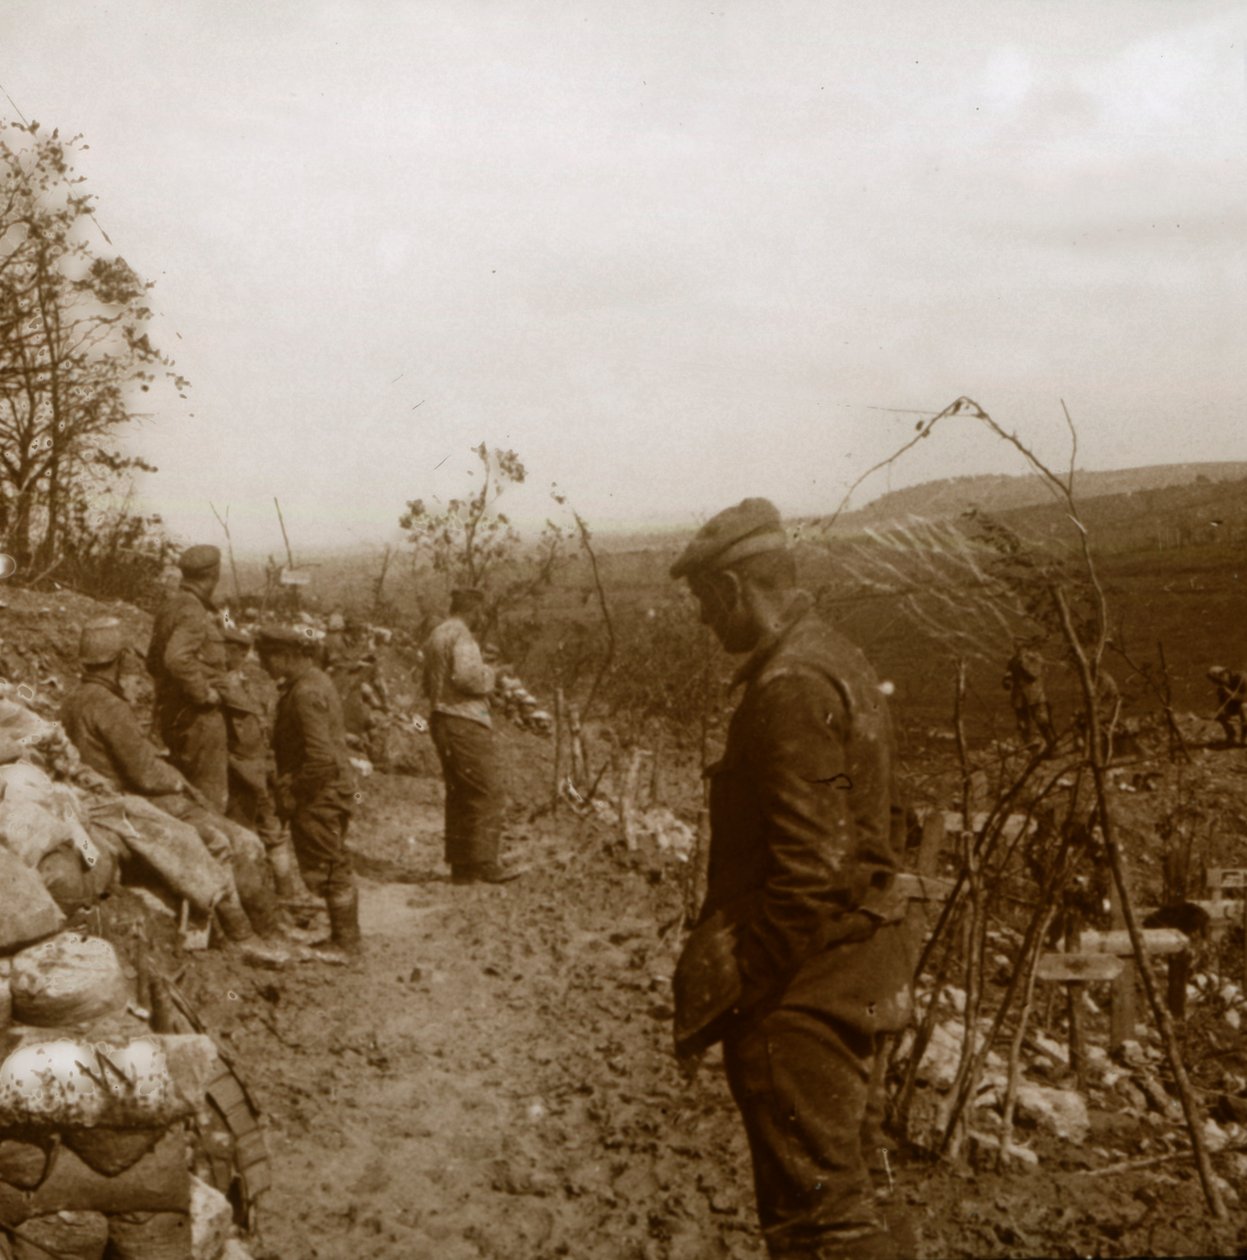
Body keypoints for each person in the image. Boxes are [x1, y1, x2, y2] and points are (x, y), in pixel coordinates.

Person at [668, 499, 914, 1259]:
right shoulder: (833, 656)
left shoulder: (788, 685)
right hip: (857, 962)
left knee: (817, 1221)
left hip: (806, 986)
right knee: (857, 1187)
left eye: (707, 604)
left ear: (735, 591)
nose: (707, 623)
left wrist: (749, 980)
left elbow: (808, 873)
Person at [62, 617, 285, 954]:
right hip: (129, 800)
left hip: (106, 797)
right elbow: (144, 775)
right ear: (120, 659)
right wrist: (180, 783)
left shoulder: (74, 699)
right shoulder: (108, 705)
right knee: (240, 842)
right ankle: (250, 934)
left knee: (226, 835)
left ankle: (255, 933)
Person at [256, 625, 362, 959]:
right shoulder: (313, 682)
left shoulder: (304, 693)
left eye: (268, 658)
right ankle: (344, 937)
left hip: (320, 794)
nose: (264, 666)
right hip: (330, 790)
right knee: (334, 863)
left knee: (330, 867)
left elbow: (320, 759)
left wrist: (292, 788)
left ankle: (345, 942)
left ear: (287, 657)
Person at [422, 588, 520, 884]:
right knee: (488, 791)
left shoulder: (436, 635)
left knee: (460, 793)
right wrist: (495, 674)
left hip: (441, 718)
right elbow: (467, 677)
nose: (481, 618)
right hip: (464, 720)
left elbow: (428, 683)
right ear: (473, 610)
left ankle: (461, 866)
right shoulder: (462, 636)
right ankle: (486, 863)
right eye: (480, 613)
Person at [146, 543, 229, 810]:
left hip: (173, 714)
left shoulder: (171, 606)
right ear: (213, 575)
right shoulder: (193, 610)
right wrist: (204, 693)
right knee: (209, 800)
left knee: (188, 797)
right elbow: (176, 658)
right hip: (197, 718)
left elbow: (152, 661)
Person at [219, 626, 300, 901]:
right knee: (258, 832)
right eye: (234, 650)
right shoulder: (234, 683)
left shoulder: (239, 684)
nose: (238, 656)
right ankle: (268, 894)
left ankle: (282, 894)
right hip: (247, 770)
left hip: (252, 770)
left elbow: (258, 732)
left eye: (240, 651)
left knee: (264, 830)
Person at [1002, 638, 1057, 751]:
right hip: (1019, 698)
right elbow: (1009, 675)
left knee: (1043, 722)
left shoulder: (1035, 658)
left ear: (1026, 648)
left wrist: (1024, 662)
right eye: (1016, 647)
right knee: (1023, 725)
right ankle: (1032, 750)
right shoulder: (1013, 661)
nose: (1017, 649)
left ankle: (1053, 747)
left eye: (1020, 647)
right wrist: (1007, 681)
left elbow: (1034, 674)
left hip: (1035, 696)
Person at [1208, 666, 1247, 745]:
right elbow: (1223, 703)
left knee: (1244, 707)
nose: (1218, 683)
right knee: (1220, 712)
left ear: (1224, 674)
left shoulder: (1242, 678)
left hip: (1244, 703)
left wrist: (1230, 694)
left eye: (1218, 680)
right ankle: (1231, 735)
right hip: (1236, 704)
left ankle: (1245, 736)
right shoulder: (1223, 685)